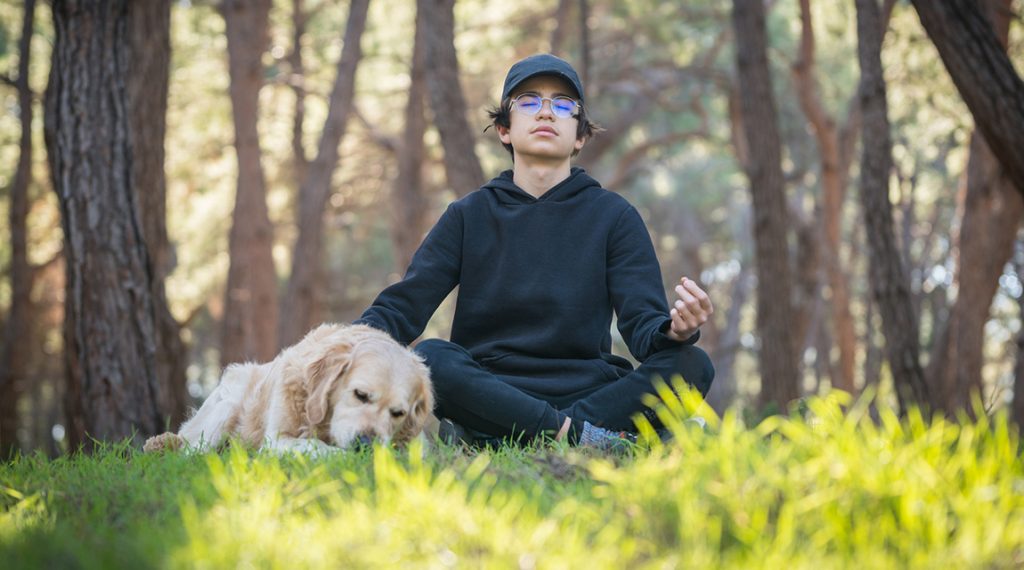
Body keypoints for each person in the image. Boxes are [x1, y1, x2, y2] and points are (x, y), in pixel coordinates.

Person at [355, 53, 714, 449]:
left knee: (691, 364)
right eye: (528, 102)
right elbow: (403, 307)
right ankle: (598, 441)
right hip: (493, 389)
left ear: (579, 136)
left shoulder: (615, 217)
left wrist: (675, 331)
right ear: (504, 129)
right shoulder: (468, 215)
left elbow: (644, 328)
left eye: (563, 105)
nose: (545, 112)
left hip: (589, 390)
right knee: (431, 359)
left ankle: (521, 437)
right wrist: (346, 345)